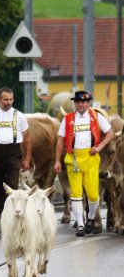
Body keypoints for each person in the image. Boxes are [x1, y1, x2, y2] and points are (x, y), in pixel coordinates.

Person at [53, 91, 114, 237]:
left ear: (88, 103)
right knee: (76, 194)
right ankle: (80, 224)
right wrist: (57, 161)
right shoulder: (67, 119)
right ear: (75, 103)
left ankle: (91, 218)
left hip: (91, 159)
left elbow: (110, 133)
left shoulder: (96, 116)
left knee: (93, 196)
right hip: (73, 159)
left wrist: (99, 147)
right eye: (78, 102)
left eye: (84, 102)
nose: (81, 104)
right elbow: (60, 140)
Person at [0, 87, 32, 235]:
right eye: (5, 99)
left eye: (11, 99)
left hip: (14, 154)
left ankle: (13, 222)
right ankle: (1, 220)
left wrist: (27, 159)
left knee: (12, 190)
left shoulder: (19, 116)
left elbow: (27, 139)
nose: (8, 102)